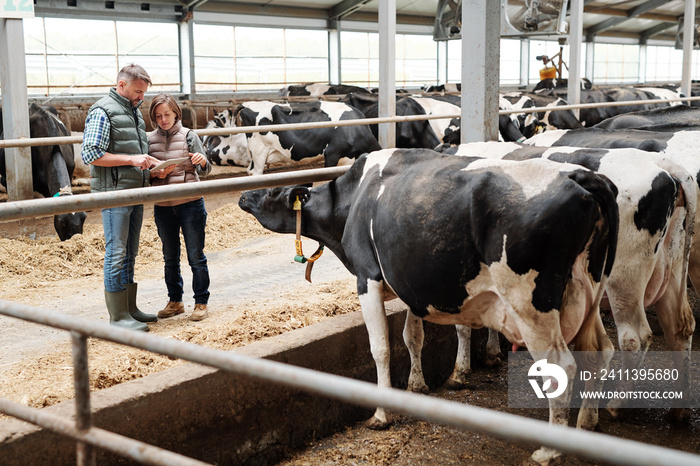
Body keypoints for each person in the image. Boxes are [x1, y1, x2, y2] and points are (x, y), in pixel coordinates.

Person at [82, 63, 160, 332]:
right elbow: (91, 153)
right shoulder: (103, 110)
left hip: (134, 189)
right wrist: (131, 159)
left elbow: (132, 151)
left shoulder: (134, 112)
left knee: (130, 251)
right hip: (114, 192)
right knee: (116, 252)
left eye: (144, 92)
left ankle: (129, 309)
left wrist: (150, 163)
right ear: (121, 85)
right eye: (138, 91)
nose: (142, 97)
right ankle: (117, 317)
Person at [148, 93, 212, 322]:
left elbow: (206, 169)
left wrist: (202, 161)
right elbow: (145, 177)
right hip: (163, 205)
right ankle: (175, 301)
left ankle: (201, 302)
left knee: (196, 255)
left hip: (190, 203)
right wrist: (155, 173)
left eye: (167, 114)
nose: (163, 119)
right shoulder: (149, 140)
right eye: (158, 116)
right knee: (170, 256)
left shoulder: (189, 136)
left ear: (176, 113)